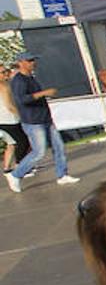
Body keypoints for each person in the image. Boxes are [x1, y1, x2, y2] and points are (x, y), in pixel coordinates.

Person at [6, 52, 78, 192]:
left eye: (33, 60)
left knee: (59, 147)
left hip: (45, 118)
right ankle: (16, 174)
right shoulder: (18, 80)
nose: (33, 63)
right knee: (39, 152)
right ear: (20, 62)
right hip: (33, 122)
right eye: (29, 60)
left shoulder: (31, 78)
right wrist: (44, 93)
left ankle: (62, 175)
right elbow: (22, 100)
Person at [0, 64, 32, 176]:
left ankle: (7, 168)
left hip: (5, 120)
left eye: (6, 71)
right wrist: (21, 114)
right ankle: (20, 167)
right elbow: (9, 105)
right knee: (23, 142)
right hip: (9, 120)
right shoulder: (3, 86)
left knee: (12, 143)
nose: (6, 74)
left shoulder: (6, 83)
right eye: (3, 72)